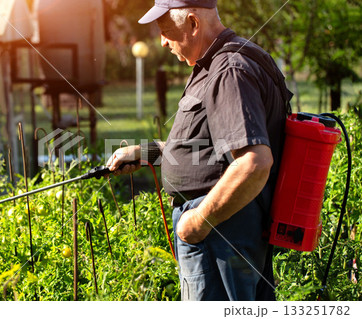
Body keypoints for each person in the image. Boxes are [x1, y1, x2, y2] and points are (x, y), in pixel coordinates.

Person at [106, 0, 292, 300]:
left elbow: (253, 163)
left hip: (222, 234)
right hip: (221, 231)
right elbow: (210, 148)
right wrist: (147, 152)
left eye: (167, 31)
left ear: (193, 23)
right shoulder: (218, 62)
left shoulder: (229, 71)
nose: (163, 41)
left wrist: (196, 222)